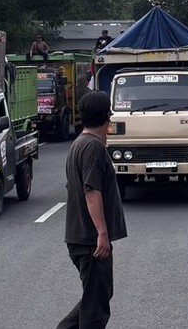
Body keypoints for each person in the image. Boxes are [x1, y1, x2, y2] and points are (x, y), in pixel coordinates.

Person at [59, 91, 127, 329]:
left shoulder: (79, 143)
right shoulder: (93, 147)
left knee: (97, 297)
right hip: (90, 240)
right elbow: (91, 191)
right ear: (107, 116)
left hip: (80, 238)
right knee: (96, 309)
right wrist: (102, 233)